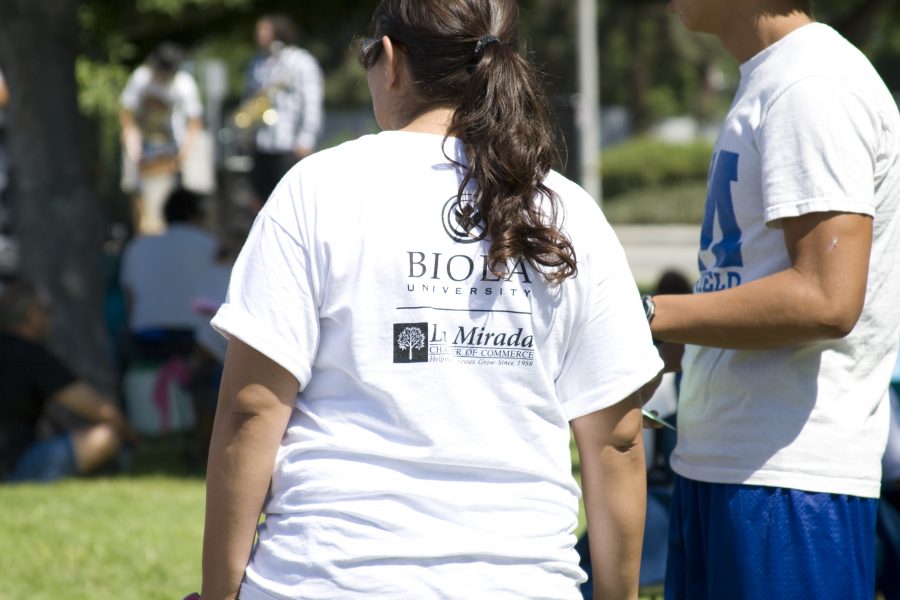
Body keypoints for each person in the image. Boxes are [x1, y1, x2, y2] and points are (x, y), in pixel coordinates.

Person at [195, 1, 663, 599]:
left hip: (327, 579)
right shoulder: (567, 213)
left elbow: (252, 409)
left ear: (390, 61)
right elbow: (617, 438)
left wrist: (218, 592)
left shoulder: (317, 191)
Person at [646, 1, 900, 598]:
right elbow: (744, 288)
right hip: (728, 467)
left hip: (788, 484)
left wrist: (651, 315)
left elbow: (825, 298)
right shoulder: (776, 77)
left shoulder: (812, 85)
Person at [0, 279, 137, 482]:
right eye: (47, 311)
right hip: (16, 464)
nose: (49, 319)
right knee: (106, 437)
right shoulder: (30, 354)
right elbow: (100, 410)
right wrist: (133, 437)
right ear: (32, 314)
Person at [120, 187, 217, 358]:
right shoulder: (211, 245)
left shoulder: (138, 247)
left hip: (146, 336)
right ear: (196, 215)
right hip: (195, 338)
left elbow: (129, 297)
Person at [120, 42, 204, 235]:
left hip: (172, 148)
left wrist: (184, 154)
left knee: (171, 198)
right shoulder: (141, 79)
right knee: (140, 202)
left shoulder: (183, 84)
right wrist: (132, 144)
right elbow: (127, 115)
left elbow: (194, 122)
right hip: (144, 147)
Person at [241, 13, 324, 206]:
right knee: (262, 198)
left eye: (263, 29)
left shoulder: (300, 61)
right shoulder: (257, 63)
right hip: (261, 144)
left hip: (289, 145)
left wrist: (306, 138)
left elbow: (311, 101)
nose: (258, 34)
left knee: (288, 201)